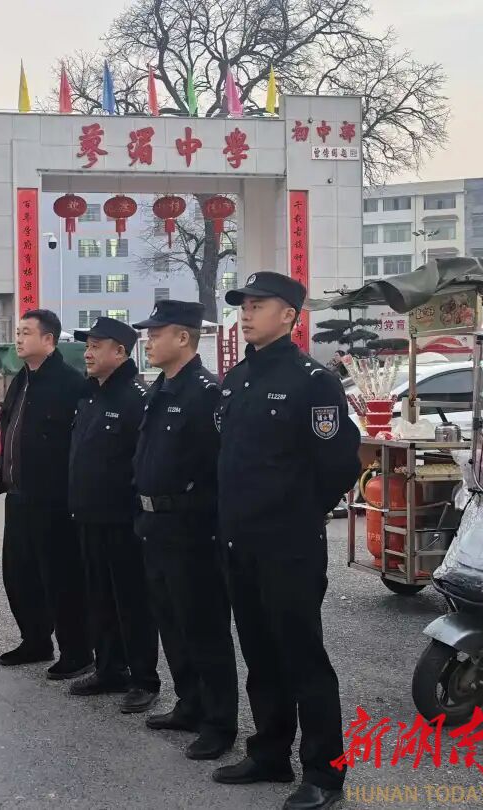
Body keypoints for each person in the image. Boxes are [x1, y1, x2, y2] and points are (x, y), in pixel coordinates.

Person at [212, 272, 360, 810]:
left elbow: (338, 463)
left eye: (258, 305)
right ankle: (270, 751)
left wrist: (297, 515)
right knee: (259, 653)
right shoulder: (236, 379)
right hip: (240, 541)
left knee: (302, 658)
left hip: (288, 545)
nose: (247, 313)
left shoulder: (312, 381)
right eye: (243, 305)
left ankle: (325, 773)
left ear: (289, 315)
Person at [133, 301, 238, 761]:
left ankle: (219, 722)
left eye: (157, 334)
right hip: (155, 525)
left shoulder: (206, 392)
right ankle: (189, 703)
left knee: (204, 627)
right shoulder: (159, 388)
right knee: (171, 622)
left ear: (183, 338)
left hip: (192, 529)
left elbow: (220, 467)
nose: (148, 341)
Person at [66, 317, 160, 714]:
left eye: (96, 346)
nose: (87, 353)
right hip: (89, 517)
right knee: (99, 597)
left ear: (120, 352)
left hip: (123, 521)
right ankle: (109, 668)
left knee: (132, 601)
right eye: (87, 345)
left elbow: (144, 463)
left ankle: (144, 678)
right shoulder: (91, 395)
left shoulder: (136, 398)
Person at [0, 309, 91, 680]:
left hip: (54, 500)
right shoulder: (22, 380)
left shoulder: (70, 384)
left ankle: (77, 651)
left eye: (26, 333)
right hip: (18, 495)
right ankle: (35, 640)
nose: (18, 339)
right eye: (18, 332)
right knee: (19, 573)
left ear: (48, 340)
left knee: (61, 577)